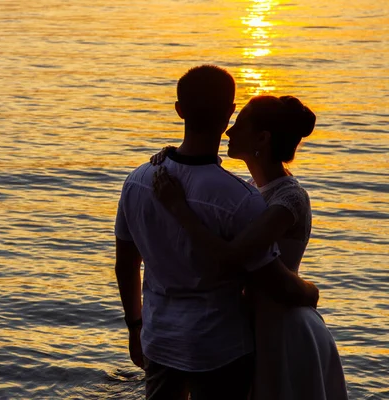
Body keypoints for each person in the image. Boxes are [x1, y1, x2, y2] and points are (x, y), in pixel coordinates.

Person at [114, 65, 319, 400]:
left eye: (240, 125)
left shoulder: (139, 181)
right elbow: (250, 269)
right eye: (233, 120)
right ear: (228, 112)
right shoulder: (243, 197)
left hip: (181, 335)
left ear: (180, 110)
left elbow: (126, 264)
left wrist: (135, 326)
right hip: (222, 342)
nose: (229, 133)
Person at [150, 95, 349, 399]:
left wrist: (177, 208)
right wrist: (172, 158)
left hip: (284, 328)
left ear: (262, 138)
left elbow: (232, 258)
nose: (228, 132)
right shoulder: (250, 189)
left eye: (239, 125)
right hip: (251, 326)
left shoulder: (288, 200)